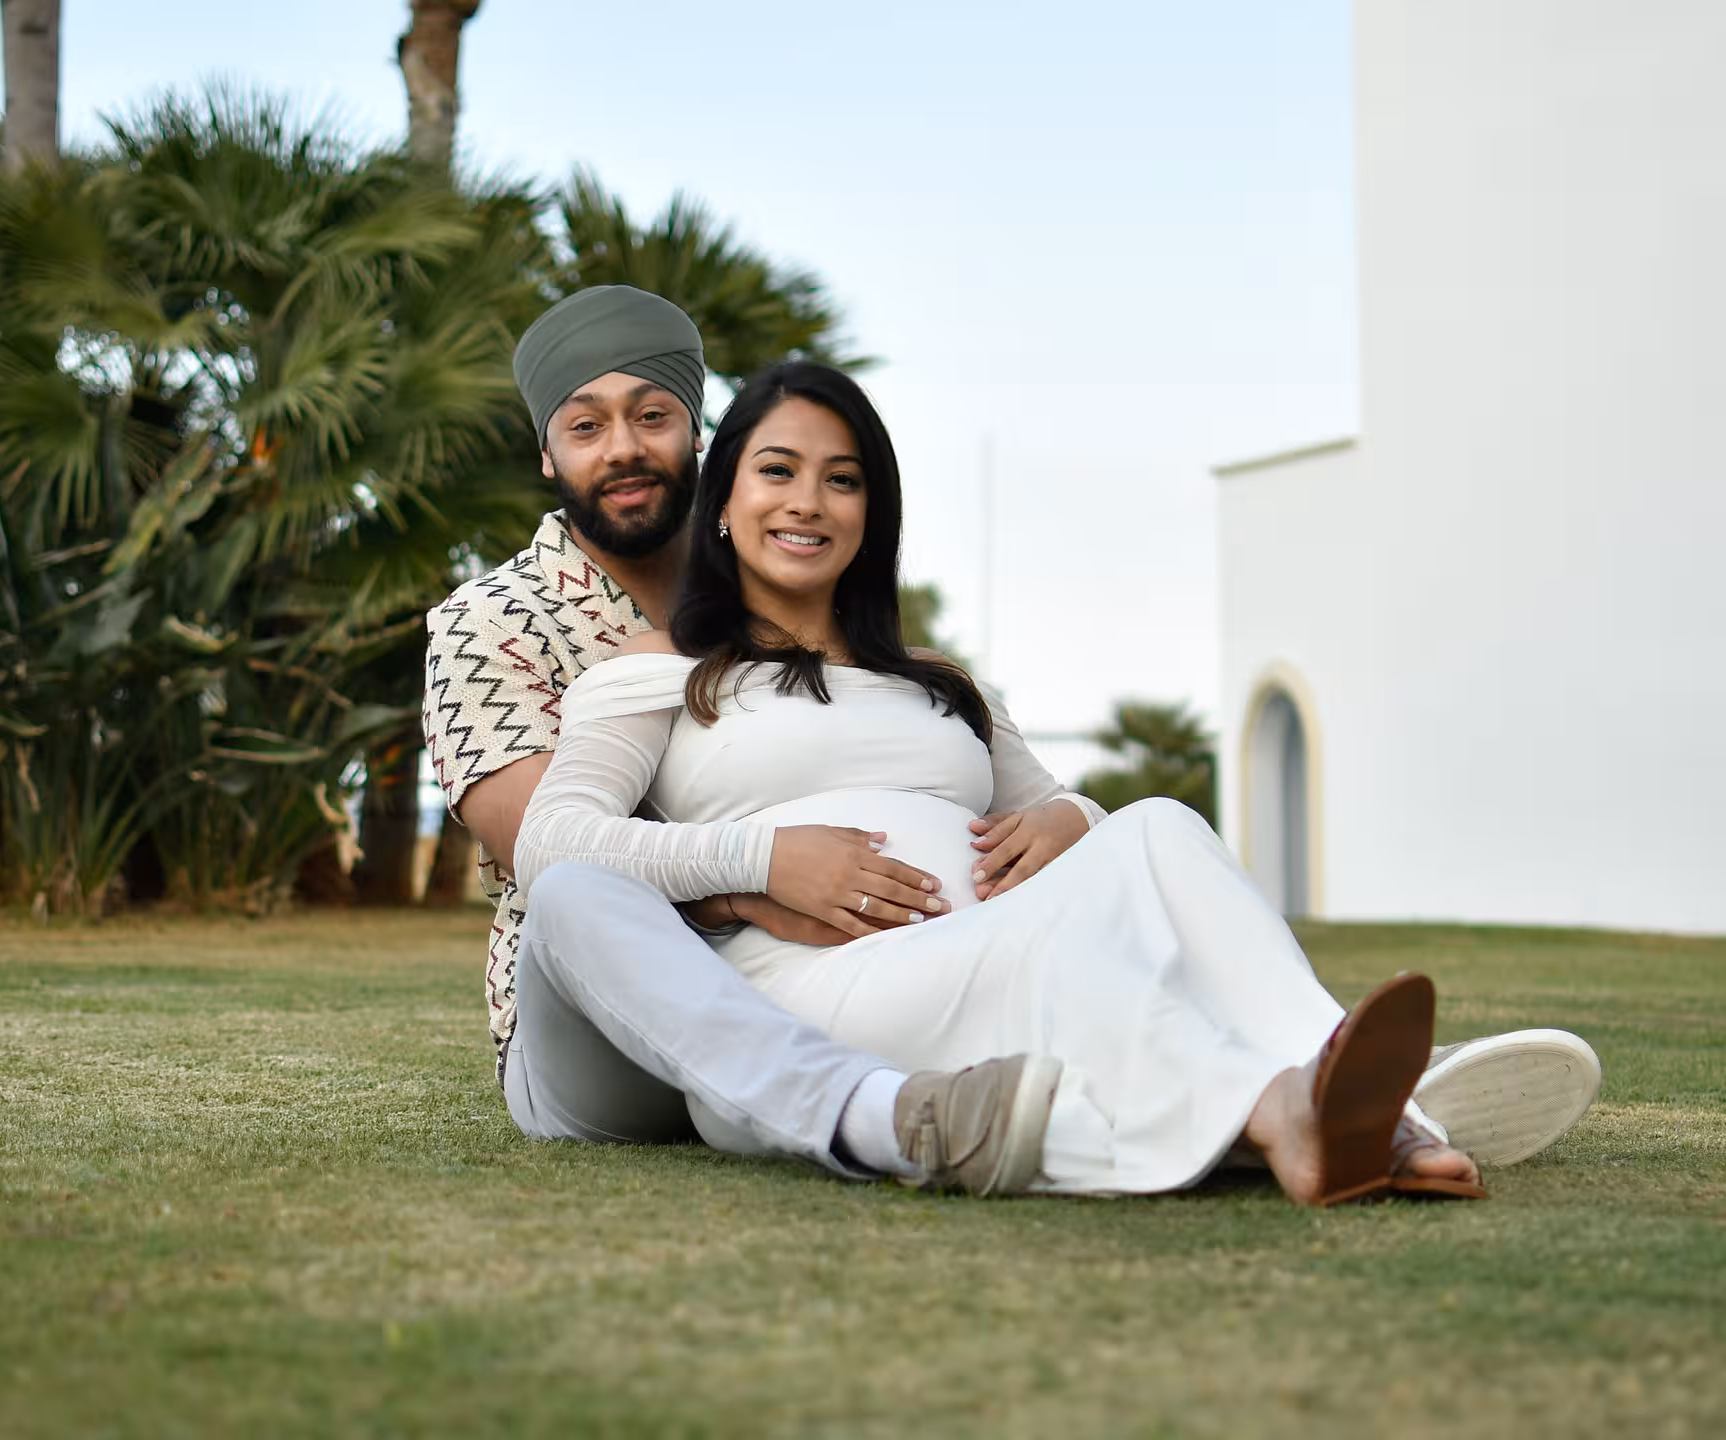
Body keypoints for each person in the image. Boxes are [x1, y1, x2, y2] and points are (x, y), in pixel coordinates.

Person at [421, 286, 1601, 1195]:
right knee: (1050, 964)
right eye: (776, 471)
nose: (806, 502)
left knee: (1161, 830)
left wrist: (1069, 821)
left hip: (957, 947)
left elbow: (1075, 814)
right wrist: (759, 864)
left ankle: (1342, 1088)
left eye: (841, 480)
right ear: (727, 498)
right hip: (766, 991)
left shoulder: (941, 681)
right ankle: (1280, 1109)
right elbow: (561, 845)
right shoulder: (652, 671)